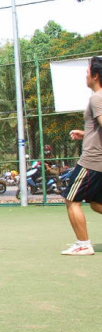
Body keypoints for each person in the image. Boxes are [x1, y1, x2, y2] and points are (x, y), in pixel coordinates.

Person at [60, 57, 102, 256]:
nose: (85, 76)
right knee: (96, 204)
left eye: (87, 72)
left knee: (71, 199)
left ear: (95, 75)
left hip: (92, 161)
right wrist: (86, 134)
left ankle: (83, 244)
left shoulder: (97, 98)